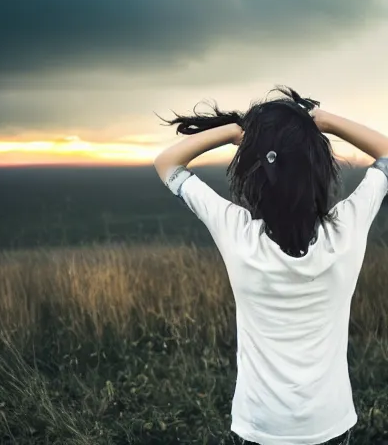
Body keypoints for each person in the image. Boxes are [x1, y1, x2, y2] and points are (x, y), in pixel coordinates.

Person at [153, 88, 388, 445]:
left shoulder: (238, 233)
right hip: (330, 423)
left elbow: (167, 164)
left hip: (261, 426)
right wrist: (323, 122)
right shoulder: (347, 227)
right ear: (319, 169)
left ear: (255, 175)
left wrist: (234, 132)